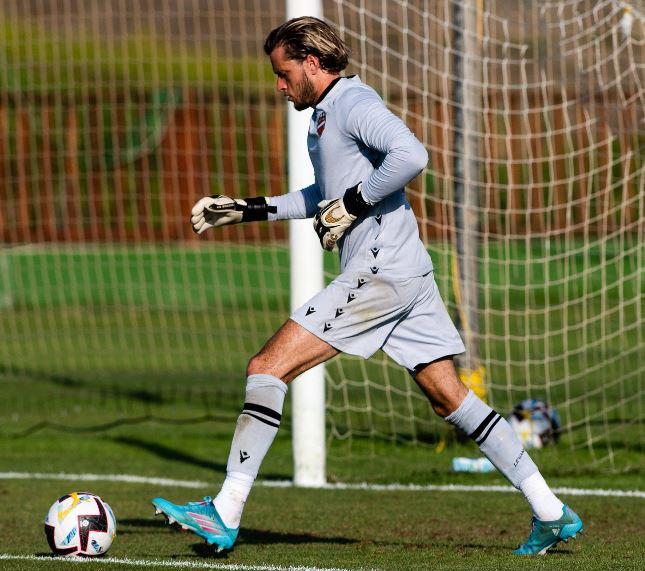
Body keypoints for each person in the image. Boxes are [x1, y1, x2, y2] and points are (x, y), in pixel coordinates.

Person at [152, 16, 582, 556]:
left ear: (312, 63)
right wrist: (248, 209)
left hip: (380, 272)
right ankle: (549, 510)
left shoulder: (354, 104)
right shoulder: (326, 117)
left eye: (283, 74)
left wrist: (354, 204)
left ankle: (225, 510)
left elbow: (411, 157)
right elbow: (325, 196)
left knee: (267, 368)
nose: (279, 86)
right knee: (450, 397)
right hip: (408, 271)